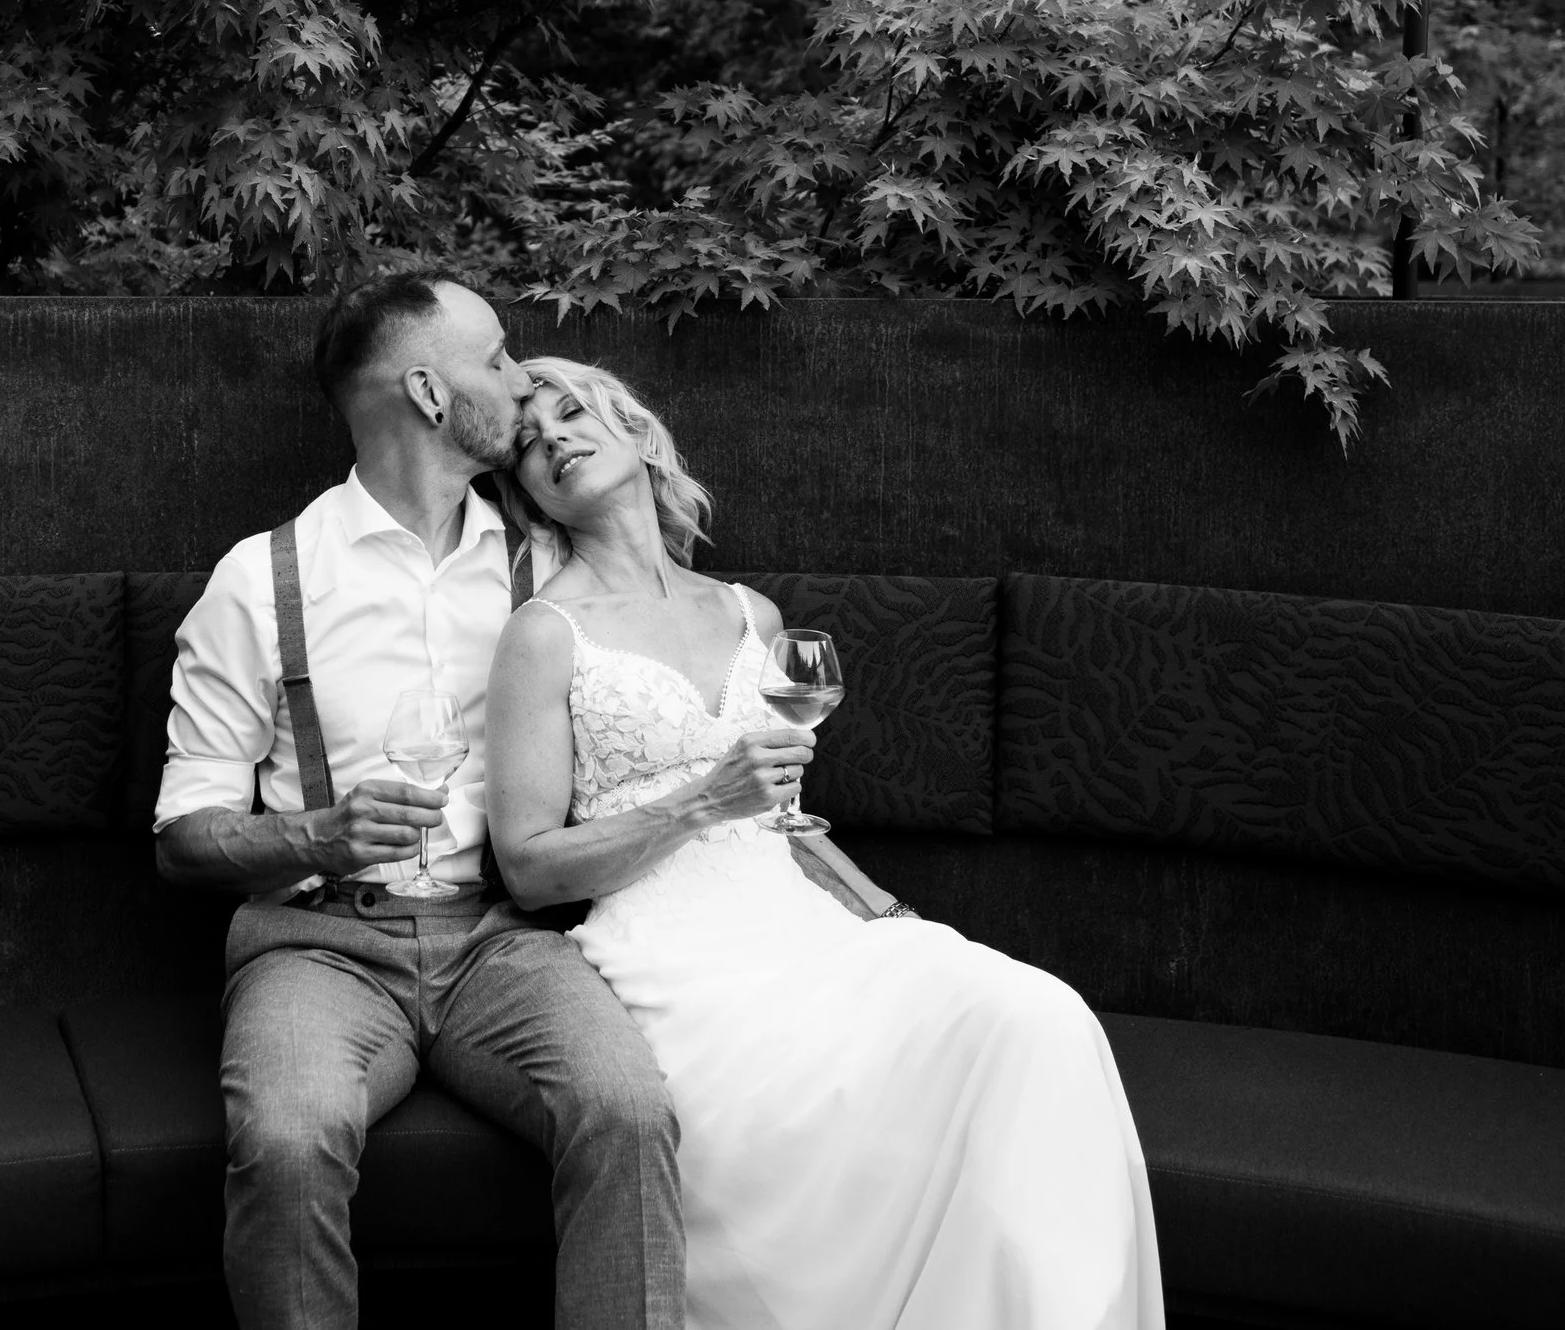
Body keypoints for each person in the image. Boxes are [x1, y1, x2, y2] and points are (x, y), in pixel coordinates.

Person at [486, 356, 1167, 1330]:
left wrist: (884, 913)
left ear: (637, 435)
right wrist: (695, 803)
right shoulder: (542, 634)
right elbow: (527, 864)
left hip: (803, 929)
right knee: (810, 1111)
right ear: (526, 492)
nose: (550, 437)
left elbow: (779, 819)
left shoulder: (747, 614)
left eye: (569, 412)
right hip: (673, 961)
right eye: (526, 442)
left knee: (1035, 1014)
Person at [154, 275, 686, 1330]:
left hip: (504, 938)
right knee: (289, 1137)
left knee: (628, 1107)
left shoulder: (545, 570)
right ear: (432, 395)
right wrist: (318, 832)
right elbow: (181, 838)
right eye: (495, 356)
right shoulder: (261, 582)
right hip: (317, 943)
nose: (520, 375)